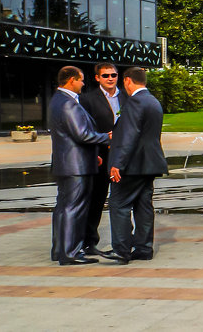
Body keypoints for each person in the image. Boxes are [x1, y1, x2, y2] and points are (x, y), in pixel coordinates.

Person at [102, 67, 168, 264]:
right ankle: (143, 248)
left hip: (133, 164)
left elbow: (128, 136)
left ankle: (121, 250)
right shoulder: (153, 101)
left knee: (119, 204)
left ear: (128, 81)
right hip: (150, 163)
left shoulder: (135, 102)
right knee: (143, 206)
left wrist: (117, 164)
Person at [49, 66, 110, 265]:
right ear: (71, 80)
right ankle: (71, 253)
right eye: (81, 80)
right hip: (76, 167)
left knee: (63, 207)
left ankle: (59, 250)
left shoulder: (57, 100)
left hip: (67, 163)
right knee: (74, 208)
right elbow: (82, 134)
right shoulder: (68, 103)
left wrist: (94, 156)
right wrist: (108, 137)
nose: (83, 84)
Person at [79, 61, 124, 257]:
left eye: (113, 75)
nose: (110, 79)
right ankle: (89, 241)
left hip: (122, 155)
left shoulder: (127, 96)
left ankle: (123, 241)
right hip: (100, 154)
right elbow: (85, 129)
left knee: (121, 199)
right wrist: (95, 150)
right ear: (97, 78)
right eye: (105, 75)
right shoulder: (87, 99)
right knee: (96, 199)